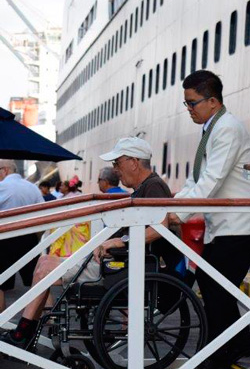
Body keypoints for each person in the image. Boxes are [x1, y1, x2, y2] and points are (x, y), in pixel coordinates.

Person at [1, 138, 181, 348]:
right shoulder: (145, 187)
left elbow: (160, 225)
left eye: (117, 163)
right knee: (44, 263)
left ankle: (24, 332)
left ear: (133, 162)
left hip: (119, 268)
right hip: (116, 265)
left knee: (44, 268)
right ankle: (27, 330)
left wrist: (120, 242)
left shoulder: (154, 185)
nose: (115, 170)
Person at [174, 70, 250, 369]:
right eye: (186, 104)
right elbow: (196, 178)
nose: (189, 110)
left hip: (238, 226)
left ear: (212, 101)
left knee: (215, 290)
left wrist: (177, 213)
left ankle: (220, 355)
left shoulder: (226, 129)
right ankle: (239, 342)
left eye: (192, 103)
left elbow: (212, 179)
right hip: (224, 227)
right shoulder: (213, 129)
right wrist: (171, 205)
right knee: (213, 289)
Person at [0, 160, 43, 312]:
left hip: (4, 238)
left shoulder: (2, 186)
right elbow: (43, 211)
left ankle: (1, 321)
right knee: (37, 279)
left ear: (4, 170)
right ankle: (49, 318)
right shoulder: (32, 188)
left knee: (0, 283)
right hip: (29, 237)